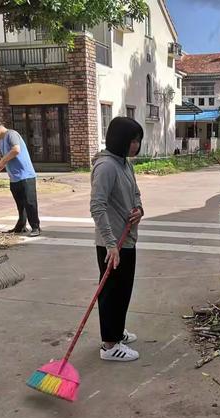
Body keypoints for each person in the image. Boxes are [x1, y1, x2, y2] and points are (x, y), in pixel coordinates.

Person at [90, 117, 145, 362]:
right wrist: (111, 244)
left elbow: (135, 194)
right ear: (121, 139)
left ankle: (117, 330)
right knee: (111, 292)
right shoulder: (106, 167)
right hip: (112, 244)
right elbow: (97, 206)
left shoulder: (125, 164)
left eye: (138, 140)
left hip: (127, 239)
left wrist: (138, 210)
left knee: (123, 290)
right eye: (133, 140)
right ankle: (109, 345)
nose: (136, 145)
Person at [0, 120, 40, 237]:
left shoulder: (12, 134)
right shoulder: (1, 141)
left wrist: (1, 161)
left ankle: (35, 227)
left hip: (26, 176)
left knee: (30, 203)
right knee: (20, 204)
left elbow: (16, 150)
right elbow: (4, 161)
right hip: (14, 178)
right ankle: (21, 226)